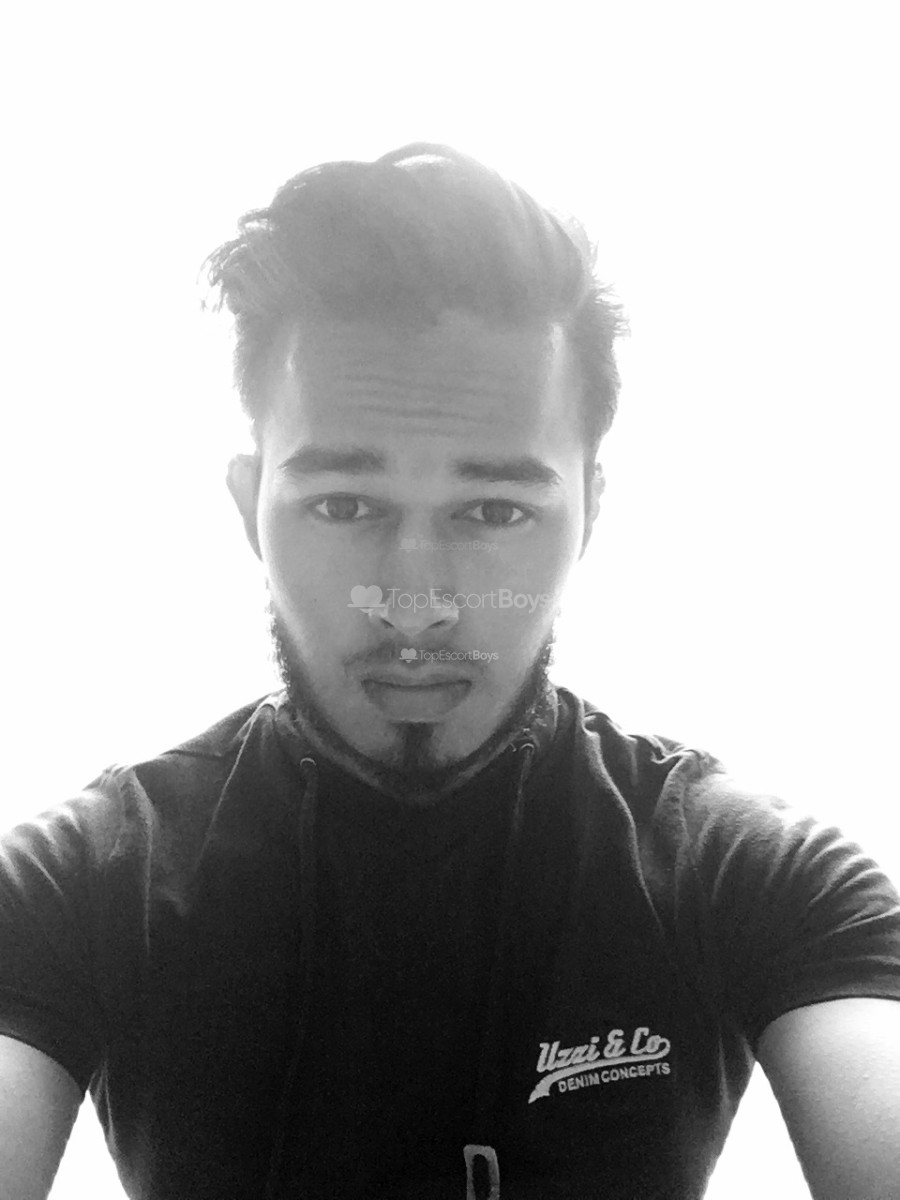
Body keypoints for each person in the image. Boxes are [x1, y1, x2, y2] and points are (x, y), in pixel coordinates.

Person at [0, 143, 898, 1200]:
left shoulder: (744, 870)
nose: (416, 603)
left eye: (494, 511)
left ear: (589, 515)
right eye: (344, 505)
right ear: (250, 509)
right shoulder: (85, 879)